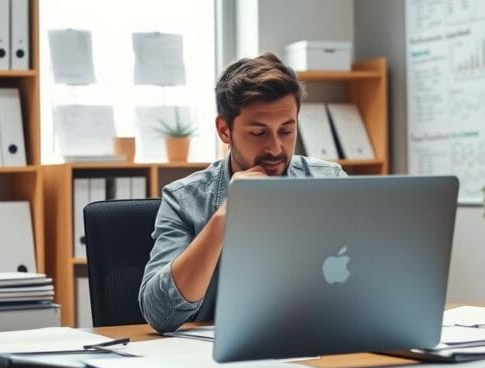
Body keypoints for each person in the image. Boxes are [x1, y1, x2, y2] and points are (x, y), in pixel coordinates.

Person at [138, 52, 346, 333]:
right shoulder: (184, 199)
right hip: (219, 359)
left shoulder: (330, 183)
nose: (275, 148)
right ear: (225, 130)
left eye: (286, 131)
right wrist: (227, 214)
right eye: (259, 133)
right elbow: (160, 313)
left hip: (322, 341)